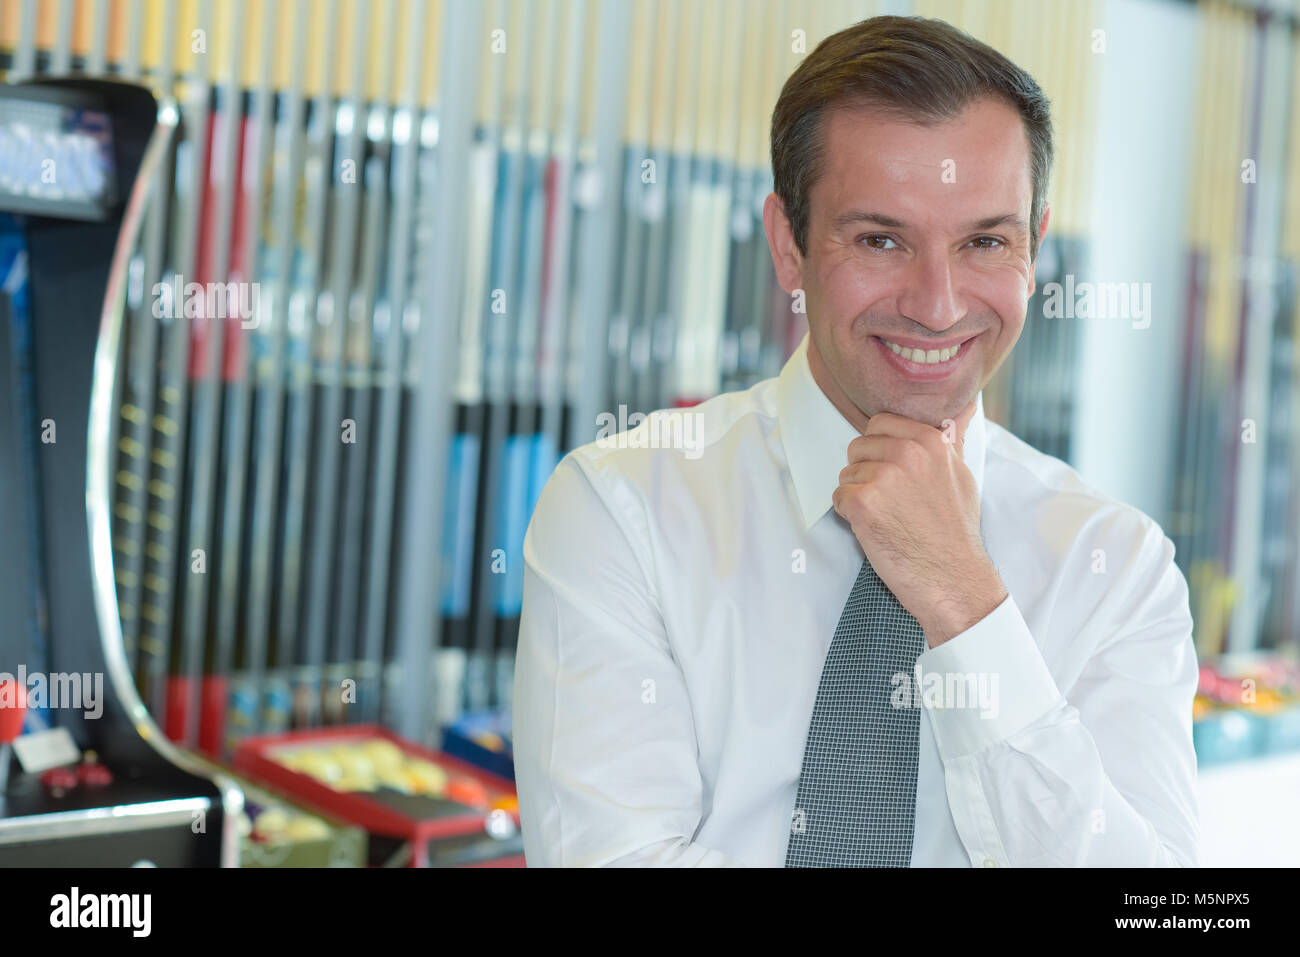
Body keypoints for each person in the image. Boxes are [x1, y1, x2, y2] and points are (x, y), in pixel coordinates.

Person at [512, 14, 1199, 867]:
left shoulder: (1117, 564)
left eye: (985, 241)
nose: (937, 303)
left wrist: (965, 603)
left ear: (1035, 249)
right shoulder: (623, 509)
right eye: (881, 239)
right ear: (788, 245)